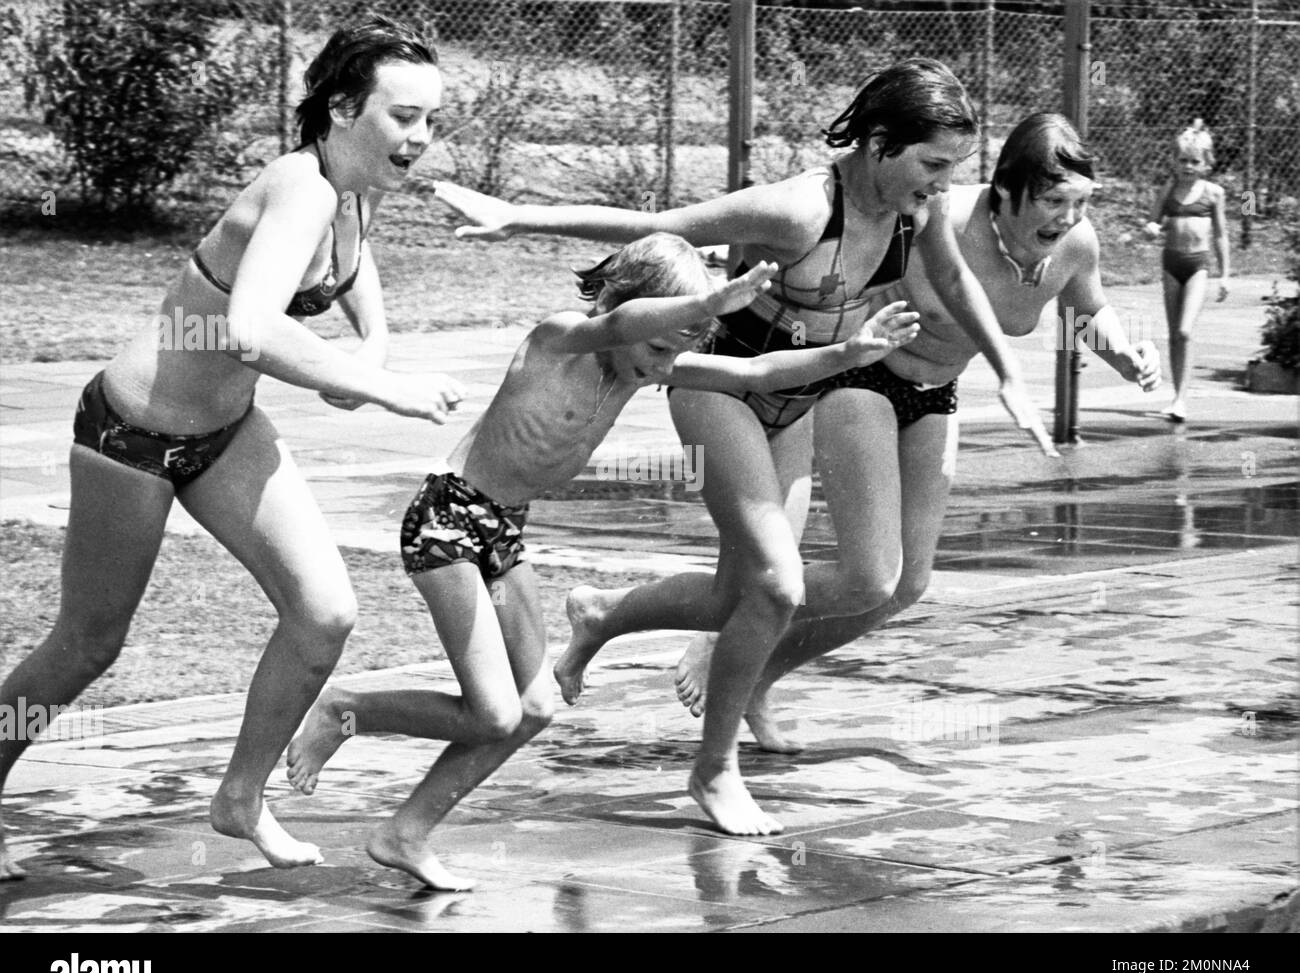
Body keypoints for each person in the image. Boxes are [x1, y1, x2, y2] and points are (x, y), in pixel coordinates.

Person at [433, 58, 1057, 836]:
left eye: (951, 170)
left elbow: (959, 285)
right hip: (720, 387)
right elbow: (658, 224)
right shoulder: (799, 210)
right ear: (877, 144)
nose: (940, 185)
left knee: (747, 595)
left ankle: (600, 615)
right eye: (931, 165)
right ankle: (714, 769)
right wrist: (517, 216)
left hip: (797, 395)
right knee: (777, 583)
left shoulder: (913, 215)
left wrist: (1010, 374)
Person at [282, 235, 921, 888]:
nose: (662, 363)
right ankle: (346, 708)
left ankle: (405, 831)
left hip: (501, 535)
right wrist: (707, 298)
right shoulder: (561, 340)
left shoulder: (640, 365)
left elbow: (754, 375)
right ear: (627, 303)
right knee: (493, 711)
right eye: (659, 343)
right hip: (447, 520)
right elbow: (619, 324)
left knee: (533, 708)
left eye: (678, 349)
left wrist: (848, 353)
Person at [0, 16, 462, 881]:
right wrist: (382, 387)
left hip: (222, 434)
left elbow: (350, 270)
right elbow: (248, 329)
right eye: (404, 117)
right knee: (88, 643)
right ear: (342, 107)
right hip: (130, 435)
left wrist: (371, 347)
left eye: (432, 120)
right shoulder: (301, 185)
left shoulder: (349, 188)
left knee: (324, 613)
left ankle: (241, 797)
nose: (422, 138)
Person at [566, 112, 1164, 748]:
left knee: (902, 587)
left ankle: (756, 673)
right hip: (864, 380)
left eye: (1079, 202)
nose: (1066, 219)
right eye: (1052, 201)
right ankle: (724, 633)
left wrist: (1123, 353)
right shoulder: (942, 215)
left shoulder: (1075, 244)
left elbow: (1087, 306)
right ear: (1005, 191)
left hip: (938, 392)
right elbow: (828, 250)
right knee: (863, 574)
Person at [1144, 122, 1229, 422]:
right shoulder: (1168, 189)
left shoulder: (1214, 193)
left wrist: (1225, 274)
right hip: (1171, 263)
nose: (1188, 166)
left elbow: (1220, 235)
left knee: (1184, 330)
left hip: (1198, 266)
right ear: (1174, 161)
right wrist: (1151, 228)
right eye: (1183, 160)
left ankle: (1182, 398)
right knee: (1173, 335)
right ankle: (1176, 397)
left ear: (1206, 163)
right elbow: (1153, 222)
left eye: (1195, 161)